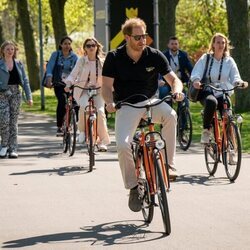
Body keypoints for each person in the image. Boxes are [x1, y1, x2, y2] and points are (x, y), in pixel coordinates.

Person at [102, 18, 183, 212]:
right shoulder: (114, 57)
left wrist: (177, 90)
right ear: (127, 37)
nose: (142, 41)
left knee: (171, 115)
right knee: (122, 145)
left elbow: (174, 80)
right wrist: (109, 102)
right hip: (126, 105)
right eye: (137, 37)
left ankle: (169, 165)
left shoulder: (154, 55)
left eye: (144, 36)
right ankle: (132, 186)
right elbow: (105, 86)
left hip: (150, 102)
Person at [190, 33, 248, 145]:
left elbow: (235, 76)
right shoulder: (206, 58)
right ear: (213, 45)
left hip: (223, 92)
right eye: (218, 42)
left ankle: (232, 147)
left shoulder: (229, 61)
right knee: (212, 102)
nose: (221, 45)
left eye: (223, 42)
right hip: (207, 90)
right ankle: (206, 130)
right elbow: (197, 72)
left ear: (226, 45)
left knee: (228, 116)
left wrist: (239, 83)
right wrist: (196, 81)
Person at [64, 37, 110, 151]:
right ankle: (83, 131)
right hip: (83, 89)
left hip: (99, 91)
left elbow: (108, 76)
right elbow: (73, 74)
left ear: (97, 47)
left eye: (93, 45)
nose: (91, 48)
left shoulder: (102, 61)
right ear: (85, 48)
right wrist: (68, 83)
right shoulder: (81, 61)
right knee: (84, 107)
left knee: (100, 112)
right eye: (88, 46)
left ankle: (102, 141)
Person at [0, 40, 33, 158]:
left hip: (16, 93)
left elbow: (25, 81)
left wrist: (29, 97)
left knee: (13, 122)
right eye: (7, 49)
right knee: (4, 120)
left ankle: (12, 148)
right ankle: (4, 145)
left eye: (12, 49)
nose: (10, 51)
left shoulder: (19, 64)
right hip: (2, 94)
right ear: (3, 50)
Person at [45, 36, 78, 136]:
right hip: (59, 83)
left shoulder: (75, 57)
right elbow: (50, 67)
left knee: (76, 103)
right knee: (62, 101)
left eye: (69, 44)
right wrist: (49, 78)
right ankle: (59, 126)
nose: (67, 46)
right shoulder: (56, 55)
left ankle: (74, 122)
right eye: (65, 44)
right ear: (61, 45)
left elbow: (78, 70)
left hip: (71, 83)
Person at [159, 36, 193, 104]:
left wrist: (192, 80)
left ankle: (182, 113)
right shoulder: (163, 55)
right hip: (166, 82)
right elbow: (159, 69)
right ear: (168, 45)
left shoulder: (183, 55)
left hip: (180, 82)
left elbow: (190, 69)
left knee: (184, 101)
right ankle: (167, 111)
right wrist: (160, 79)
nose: (174, 45)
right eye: (172, 44)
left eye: (176, 44)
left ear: (178, 45)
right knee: (163, 93)